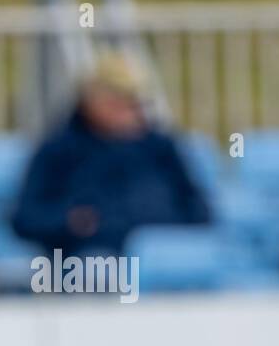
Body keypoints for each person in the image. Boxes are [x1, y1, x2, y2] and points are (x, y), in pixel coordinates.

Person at [11, 52, 211, 256]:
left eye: (132, 102)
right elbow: (26, 219)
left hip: (166, 253)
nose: (127, 110)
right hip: (95, 258)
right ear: (90, 103)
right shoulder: (59, 149)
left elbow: (200, 211)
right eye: (116, 101)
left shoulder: (161, 147)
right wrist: (72, 222)